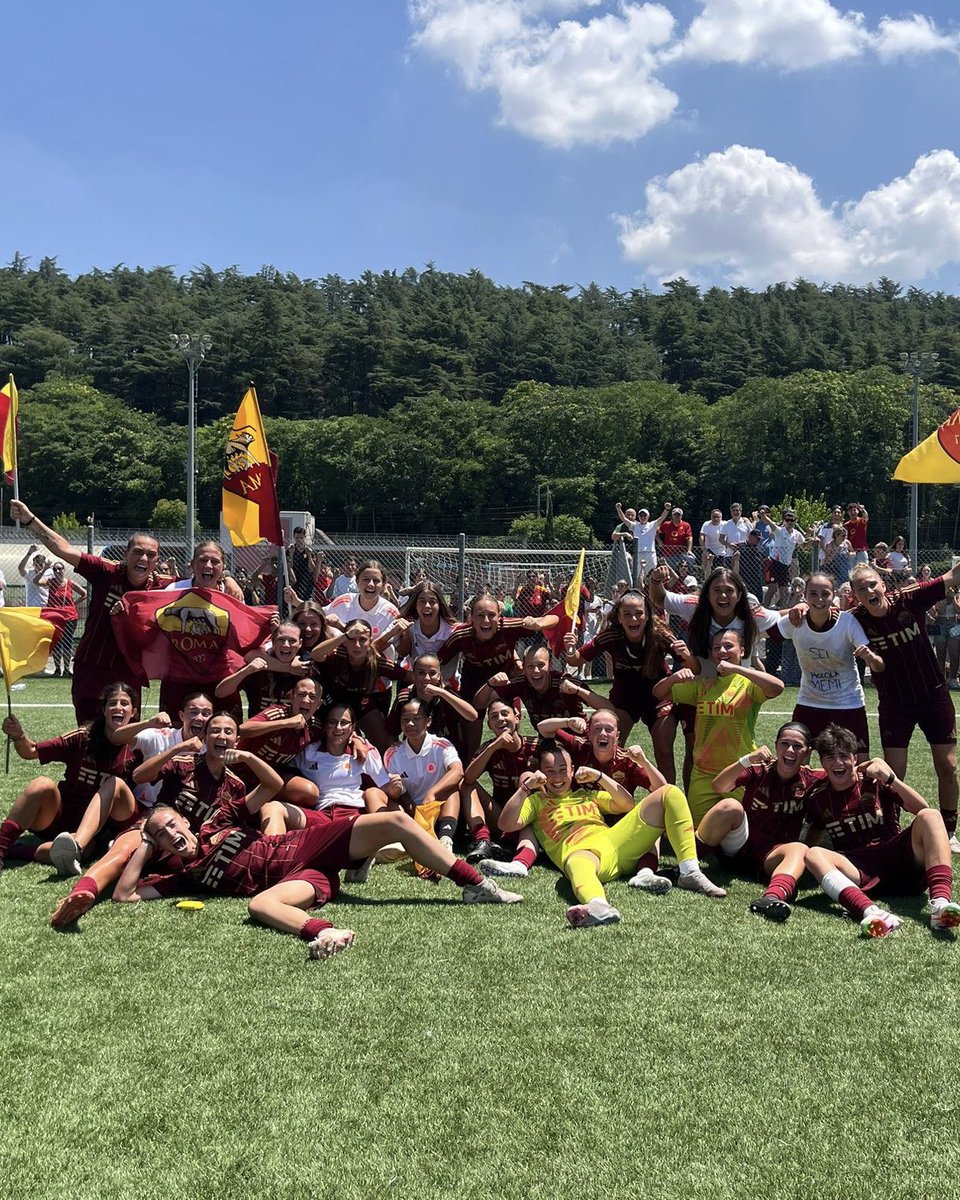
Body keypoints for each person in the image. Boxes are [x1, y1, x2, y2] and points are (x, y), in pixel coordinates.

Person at [115, 793, 522, 961]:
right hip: (296, 878)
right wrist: (147, 845)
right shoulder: (182, 875)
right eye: (162, 836)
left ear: (185, 820)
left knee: (396, 819)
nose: (172, 834)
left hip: (305, 843)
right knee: (259, 905)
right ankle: (326, 932)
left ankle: (477, 885)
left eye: (173, 825)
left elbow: (269, 792)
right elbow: (125, 896)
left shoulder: (216, 823)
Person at [499, 741, 724, 929]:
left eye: (562, 770)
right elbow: (506, 824)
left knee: (670, 793)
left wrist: (599, 776)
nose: (557, 777)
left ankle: (689, 872)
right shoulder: (537, 802)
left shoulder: (587, 794)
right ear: (541, 773)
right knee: (577, 861)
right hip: (582, 853)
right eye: (550, 771)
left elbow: (626, 804)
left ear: (572, 769)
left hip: (615, 844)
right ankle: (598, 906)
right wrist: (525, 789)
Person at [47, 693, 216, 928]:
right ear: (181, 715)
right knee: (121, 844)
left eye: (206, 713)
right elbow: (117, 737)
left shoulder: (216, 751)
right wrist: (160, 732)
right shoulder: (162, 736)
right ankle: (81, 883)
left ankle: (38, 849)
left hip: (181, 826)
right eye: (193, 712)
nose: (199, 717)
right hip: (146, 815)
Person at [10, 500, 172, 723]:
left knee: (125, 739)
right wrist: (29, 520)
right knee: (87, 735)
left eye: (150, 555)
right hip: (92, 666)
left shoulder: (164, 586)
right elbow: (62, 547)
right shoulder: (106, 572)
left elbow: (199, 582)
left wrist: (225, 579)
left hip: (128, 672)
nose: (143, 558)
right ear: (126, 554)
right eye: (138, 552)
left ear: (157, 561)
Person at [803, 724, 960, 937]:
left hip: (899, 858)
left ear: (855, 758)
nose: (838, 763)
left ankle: (940, 905)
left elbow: (922, 808)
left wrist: (891, 778)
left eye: (843, 756)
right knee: (812, 853)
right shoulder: (817, 797)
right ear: (821, 762)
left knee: (931, 815)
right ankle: (871, 912)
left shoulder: (874, 781)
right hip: (858, 869)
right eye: (830, 757)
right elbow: (814, 832)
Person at [849, 561, 960, 849]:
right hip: (895, 705)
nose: (869, 590)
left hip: (933, 696)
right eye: (862, 588)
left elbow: (952, 576)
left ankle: (949, 830)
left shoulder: (910, 599)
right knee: (893, 772)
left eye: (872, 584)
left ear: (883, 584)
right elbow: (822, 616)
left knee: (947, 766)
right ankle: (891, 830)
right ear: (854, 595)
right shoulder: (854, 620)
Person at [0, 682, 145, 874]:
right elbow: (31, 751)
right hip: (57, 817)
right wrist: (19, 735)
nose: (118, 707)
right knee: (42, 784)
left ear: (133, 712)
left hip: (92, 833)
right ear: (104, 710)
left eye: (124, 704)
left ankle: (19, 851)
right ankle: (2, 846)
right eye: (112, 703)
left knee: (83, 851)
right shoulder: (84, 737)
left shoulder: (139, 747)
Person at [562, 588, 694, 780]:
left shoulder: (660, 634)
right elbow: (576, 660)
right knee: (611, 749)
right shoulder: (611, 635)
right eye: (627, 614)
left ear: (647, 615)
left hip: (659, 698)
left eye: (639, 613)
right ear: (620, 618)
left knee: (664, 751)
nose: (633, 619)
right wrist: (570, 648)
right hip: (624, 699)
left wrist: (687, 656)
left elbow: (694, 668)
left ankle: (667, 802)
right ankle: (611, 800)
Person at [654, 628, 784, 824]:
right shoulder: (703, 686)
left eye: (728, 646)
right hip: (703, 773)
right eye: (717, 648)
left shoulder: (748, 685)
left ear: (742, 651)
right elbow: (659, 692)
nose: (722, 651)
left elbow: (777, 687)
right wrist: (673, 678)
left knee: (744, 830)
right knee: (698, 834)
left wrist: (737, 669)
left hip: (738, 772)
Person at [697, 723, 821, 921]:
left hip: (770, 857)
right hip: (739, 845)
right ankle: (686, 868)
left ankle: (772, 898)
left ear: (807, 752)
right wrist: (746, 759)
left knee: (799, 849)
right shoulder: (759, 770)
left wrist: (878, 766)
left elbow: (849, 774)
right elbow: (719, 785)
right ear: (776, 746)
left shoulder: (813, 779)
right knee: (730, 806)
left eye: (797, 746)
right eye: (784, 744)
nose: (790, 750)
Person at [437, 589, 558, 757]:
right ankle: (468, 777)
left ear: (500, 616)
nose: (486, 620)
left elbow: (554, 619)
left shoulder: (508, 626)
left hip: (505, 686)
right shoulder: (461, 636)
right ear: (471, 617)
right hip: (473, 688)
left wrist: (539, 624)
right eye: (480, 615)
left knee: (511, 738)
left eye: (491, 615)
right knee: (471, 746)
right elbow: (437, 661)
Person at [777, 573, 881, 757]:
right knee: (795, 761)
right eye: (813, 594)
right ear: (805, 596)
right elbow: (763, 627)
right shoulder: (796, 620)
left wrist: (870, 657)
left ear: (834, 595)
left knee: (860, 764)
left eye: (825, 593)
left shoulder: (847, 622)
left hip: (848, 704)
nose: (819, 599)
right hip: (809, 703)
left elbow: (879, 665)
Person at [382, 696, 464, 859]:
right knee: (382, 795)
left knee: (453, 788)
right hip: (411, 811)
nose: (410, 724)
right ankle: (400, 840)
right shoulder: (393, 754)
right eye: (405, 720)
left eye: (416, 719)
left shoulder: (442, 745)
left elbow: (458, 771)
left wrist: (432, 793)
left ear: (428, 721)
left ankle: (445, 839)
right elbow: (401, 794)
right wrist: (397, 792)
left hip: (439, 808)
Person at [313, 618, 410, 751]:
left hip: (360, 701)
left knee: (387, 743)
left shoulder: (376, 661)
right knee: (342, 740)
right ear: (345, 641)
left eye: (362, 640)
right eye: (352, 639)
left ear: (370, 642)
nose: (357, 645)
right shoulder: (338, 654)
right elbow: (315, 654)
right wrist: (345, 635)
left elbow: (410, 677)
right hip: (332, 701)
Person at [383, 580, 458, 683]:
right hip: (415, 684)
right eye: (422, 601)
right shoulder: (407, 624)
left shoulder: (453, 631)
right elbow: (374, 649)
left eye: (432, 601)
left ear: (440, 604)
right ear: (415, 605)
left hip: (446, 687)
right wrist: (393, 633)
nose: (427, 605)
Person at [46, 561, 87, 677]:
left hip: (69, 616)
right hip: (55, 617)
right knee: (57, 642)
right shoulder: (50, 582)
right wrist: (45, 569)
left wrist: (74, 603)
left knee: (67, 641)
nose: (58, 571)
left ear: (64, 570)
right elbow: (36, 582)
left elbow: (84, 594)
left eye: (60, 569)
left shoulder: (69, 583)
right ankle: (58, 669)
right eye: (55, 569)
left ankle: (67, 669)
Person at [165, 541, 244, 601]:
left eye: (215, 561)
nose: (208, 566)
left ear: (223, 567)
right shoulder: (174, 590)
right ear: (192, 564)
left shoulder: (233, 595)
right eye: (203, 560)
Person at [765, 510, 813, 606]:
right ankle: (764, 608)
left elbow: (804, 546)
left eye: (792, 520)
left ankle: (783, 610)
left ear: (795, 521)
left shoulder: (796, 534)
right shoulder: (779, 531)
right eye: (787, 520)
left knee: (785, 590)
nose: (790, 522)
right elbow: (768, 522)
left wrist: (812, 540)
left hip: (786, 565)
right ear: (784, 520)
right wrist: (763, 515)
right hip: (774, 563)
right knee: (773, 589)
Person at [616, 501, 670, 582]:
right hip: (638, 554)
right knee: (638, 577)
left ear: (648, 516)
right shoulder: (634, 525)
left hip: (650, 553)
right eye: (641, 515)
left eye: (645, 515)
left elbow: (662, 518)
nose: (643, 517)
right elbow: (624, 519)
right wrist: (618, 509)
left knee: (651, 575)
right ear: (638, 516)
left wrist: (667, 509)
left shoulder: (653, 524)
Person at [717, 502, 754, 570]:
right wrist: (729, 545)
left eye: (737, 510)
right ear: (731, 512)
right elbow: (721, 539)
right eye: (733, 510)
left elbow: (753, 537)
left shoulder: (746, 523)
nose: (735, 512)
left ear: (741, 511)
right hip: (730, 554)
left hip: (745, 555)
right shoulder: (726, 524)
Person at [659, 507, 694, 575]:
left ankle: (689, 574)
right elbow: (657, 532)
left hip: (681, 552)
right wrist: (659, 541)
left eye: (678, 515)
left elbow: (689, 538)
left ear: (681, 516)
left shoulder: (686, 525)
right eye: (675, 515)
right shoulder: (666, 524)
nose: (677, 516)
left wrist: (689, 550)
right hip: (668, 553)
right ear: (672, 515)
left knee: (691, 558)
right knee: (669, 572)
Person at [287, 526, 318, 601]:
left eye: (301, 538)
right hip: (294, 582)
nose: (299, 540)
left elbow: (312, 569)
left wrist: (309, 555)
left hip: (306, 582)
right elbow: (288, 567)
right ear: (294, 537)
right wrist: (291, 554)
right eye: (297, 538)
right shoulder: (290, 550)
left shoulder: (308, 551)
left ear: (304, 537)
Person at [699, 509, 724, 578]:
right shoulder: (706, 524)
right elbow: (701, 536)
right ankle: (706, 578)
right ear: (711, 517)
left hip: (722, 551)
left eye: (717, 517)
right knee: (705, 561)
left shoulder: (725, 524)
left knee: (720, 573)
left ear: (721, 517)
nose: (716, 518)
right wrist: (703, 548)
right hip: (709, 550)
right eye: (714, 517)